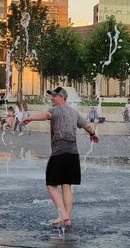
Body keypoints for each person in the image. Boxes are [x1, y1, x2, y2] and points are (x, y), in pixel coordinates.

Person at [21, 87, 99, 227]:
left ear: (62, 98)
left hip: (59, 153)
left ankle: (63, 214)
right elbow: (86, 126)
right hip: (73, 154)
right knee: (67, 186)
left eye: (55, 96)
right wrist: (93, 134)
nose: (52, 98)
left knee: (51, 185)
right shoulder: (74, 112)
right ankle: (67, 218)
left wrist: (30, 118)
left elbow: (46, 115)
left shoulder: (55, 110)